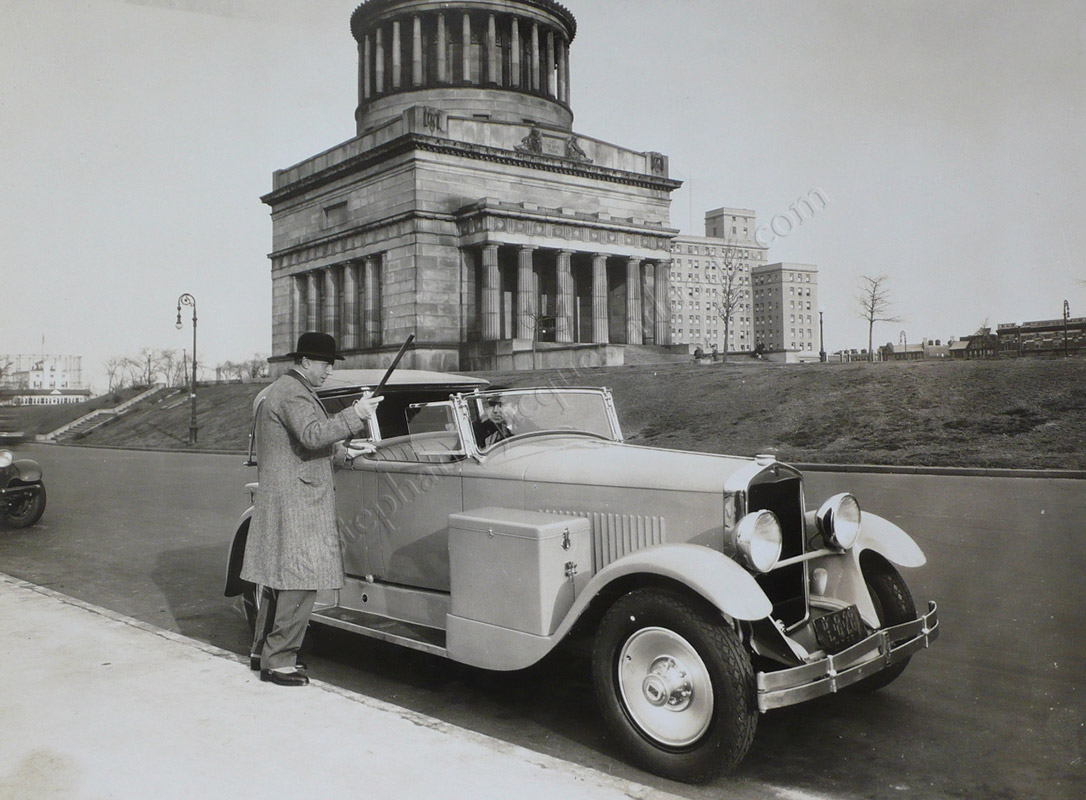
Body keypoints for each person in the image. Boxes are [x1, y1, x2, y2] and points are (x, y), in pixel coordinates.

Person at [241, 331, 381, 687]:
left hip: (288, 497)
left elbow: (302, 443)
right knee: (301, 580)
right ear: (305, 362)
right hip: (299, 501)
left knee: (278, 579)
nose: (328, 370)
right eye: (324, 363)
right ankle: (280, 661)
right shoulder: (293, 393)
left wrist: (346, 452)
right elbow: (313, 434)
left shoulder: (287, 390)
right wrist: (356, 415)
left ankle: (262, 652)